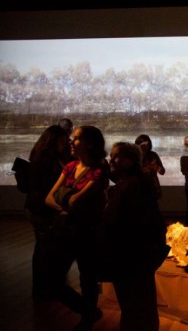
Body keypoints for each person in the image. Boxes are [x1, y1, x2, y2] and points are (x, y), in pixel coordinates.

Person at [97, 142, 167, 331]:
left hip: (131, 258)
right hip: (135, 259)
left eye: (116, 156)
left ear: (130, 160)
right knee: (137, 308)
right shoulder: (134, 183)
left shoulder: (133, 186)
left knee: (135, 308)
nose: (111, 160)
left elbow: (126, 223)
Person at [45, 125, 109, 330]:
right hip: (66, 230)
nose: (72, 141)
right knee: (53, 281)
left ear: (90, 143)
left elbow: (74, 201)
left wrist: (64, 200)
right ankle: (90, 312)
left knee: (87, 279)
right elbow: (49, 199)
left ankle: (87, 319)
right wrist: (66, 204)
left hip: (87, 232)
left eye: (77, 138)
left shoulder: (99, 171)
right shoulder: (70, 166)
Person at [25, 125, 81, 310]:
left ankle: (41, 290)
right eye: (64, 141)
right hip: (42, 210)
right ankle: (45, 289)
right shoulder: (45, 162)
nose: (66, 144)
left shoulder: (43, 157)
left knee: (41, 249)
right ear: (54, 141)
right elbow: (47, 190)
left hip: (40, 209)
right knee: (44, 250)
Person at [135, 134, 166, 200]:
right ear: (138, 145)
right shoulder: (134, 156)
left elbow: (162, 172)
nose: (145, 147)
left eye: (147, 144)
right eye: (143, 145)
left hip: (152, 187)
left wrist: (156, 167)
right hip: (138, 187)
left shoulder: (153, 155)